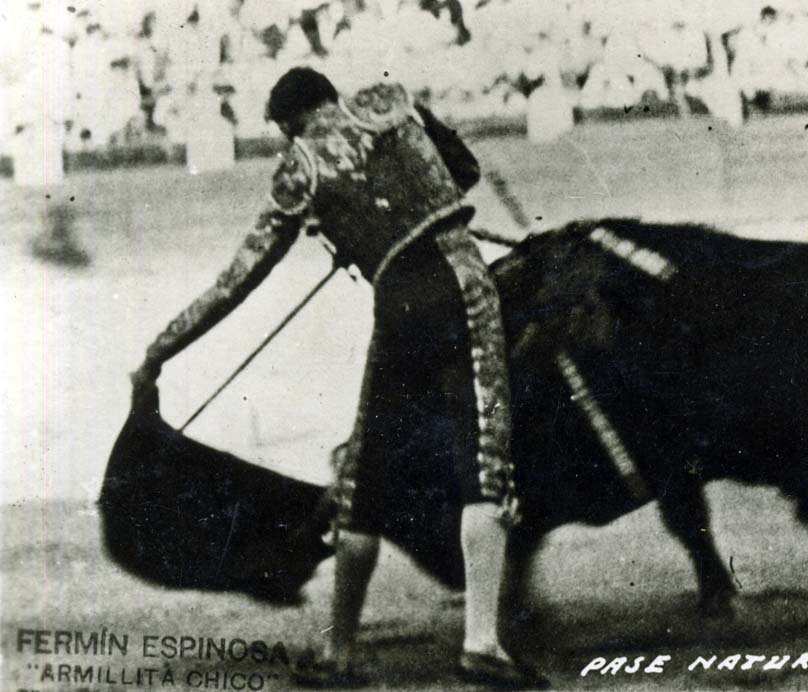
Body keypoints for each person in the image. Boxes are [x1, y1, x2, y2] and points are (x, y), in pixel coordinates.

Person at [130, 67, 547, 689]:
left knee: (365, 480)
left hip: (398, 307)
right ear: (330, 97)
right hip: (462, 285)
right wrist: (398, 218)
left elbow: (235, 281)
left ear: (289, 123)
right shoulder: (393, 101)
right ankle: (481, 644)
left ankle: (339, 652)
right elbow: (463, 171)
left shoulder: (299, 168)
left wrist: (159, 351)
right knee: (484, 463)